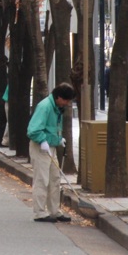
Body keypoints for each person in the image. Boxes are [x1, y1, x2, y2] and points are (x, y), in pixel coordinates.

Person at [27, 82, 76, 223]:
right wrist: (42, 140)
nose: (67, 104)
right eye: (66, 100)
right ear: (59, 97)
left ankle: (54, 211)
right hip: (40, 147)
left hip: (50, 146)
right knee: (42, 179)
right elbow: (33, 129)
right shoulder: (45, 107)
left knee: (55, 179)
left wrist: (58, 140)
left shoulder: (56, 107)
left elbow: (51, 127)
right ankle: (40, 212)